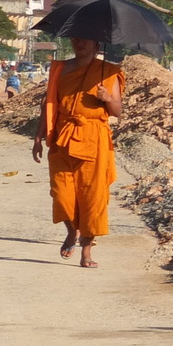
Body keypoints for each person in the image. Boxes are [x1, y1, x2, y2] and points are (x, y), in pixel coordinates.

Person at [31, 37, 124, 269]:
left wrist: (108, 98)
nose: (79, 43)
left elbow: (118, 111)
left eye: (85, 39)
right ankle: (72, 231)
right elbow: (49, 103)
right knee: (61, 195)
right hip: (64, 136)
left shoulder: (108, 72)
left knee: (92, 197)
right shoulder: (60, 69)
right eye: (76, 38)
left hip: (94, 139)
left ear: (97, 44)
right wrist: (38, 135)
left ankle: (86, 250)